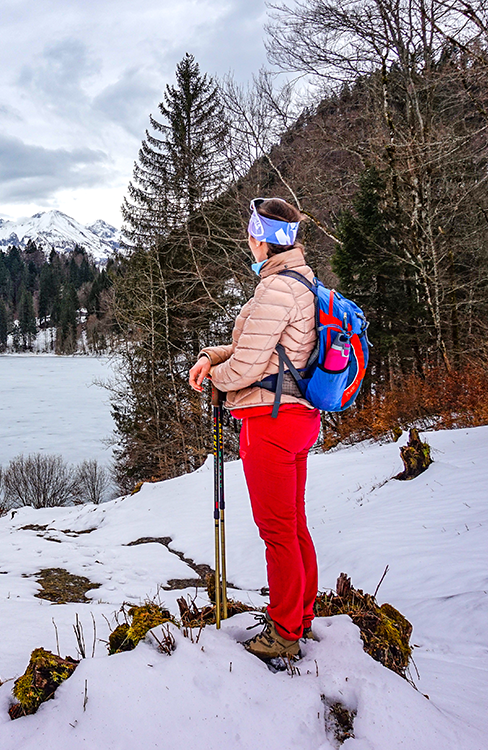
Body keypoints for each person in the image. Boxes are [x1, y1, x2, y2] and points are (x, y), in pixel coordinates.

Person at [187, 197, 320, 660]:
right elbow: (253, 348)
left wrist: (217, 382)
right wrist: (211, 356)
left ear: (264, 238)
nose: (248, 237)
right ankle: (299, 614)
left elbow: (247, 365)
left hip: (271, 421)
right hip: (297, 417)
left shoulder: (276, 289)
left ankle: (284, 634)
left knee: (277, 530)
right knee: (293, 524)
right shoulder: (299, 281)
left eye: (251, 230)